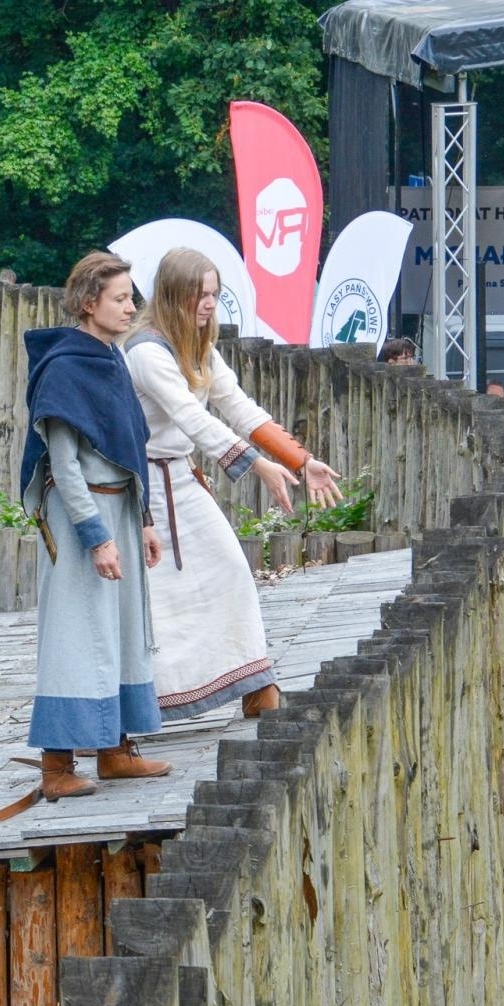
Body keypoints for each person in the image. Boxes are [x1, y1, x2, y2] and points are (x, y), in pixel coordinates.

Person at [123, 248, 343, 721]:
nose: (208, 303)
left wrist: (301, 461)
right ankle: (147, 704)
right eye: (199, 294)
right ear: (174, 294)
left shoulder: (198, 346)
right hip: (144, 490)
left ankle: (254, 684)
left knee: (230, 570)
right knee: (157, 600)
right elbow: (192, 418)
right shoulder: (145, 350)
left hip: (181, 477)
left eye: (214, 294)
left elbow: (238, 406)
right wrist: (259, 466)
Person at [20, 251, 170, 801]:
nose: (131, 307)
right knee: (77, 635)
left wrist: (144, 520)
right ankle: (56, 766)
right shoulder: (65, 367)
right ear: (89, 304)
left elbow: (129, 447)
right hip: (82, 515)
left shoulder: (112, 359)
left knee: (122, 630)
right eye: (120, 298)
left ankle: (114, 751)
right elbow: (63, 464)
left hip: (121, 511)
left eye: (131, 297)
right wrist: (95, 536)